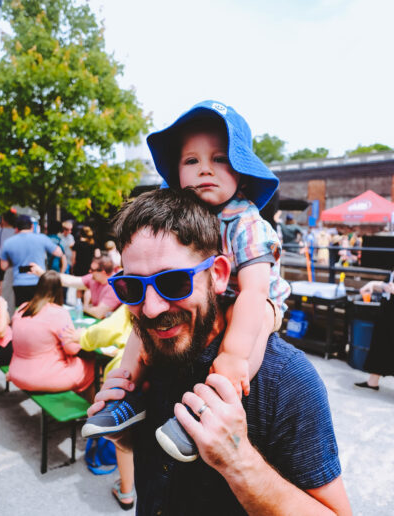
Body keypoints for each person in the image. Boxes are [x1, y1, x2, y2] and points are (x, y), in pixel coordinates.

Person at [87, 188, 351, 515]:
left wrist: (240, 463)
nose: (152, 308)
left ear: (220, 275)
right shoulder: (151, 359)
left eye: (173, 283)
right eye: (132, 287)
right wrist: (126, 437)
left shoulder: (285, 380)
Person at [83, 100, 291, 445]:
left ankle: (215, 404)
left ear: (241, 170)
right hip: (202, 296)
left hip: (250, 299)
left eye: (220, 159)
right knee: (146, 313)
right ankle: (126, 392)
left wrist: (233, 354)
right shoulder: (181, 217)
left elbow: (255, 292)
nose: (205, 170)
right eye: (191, 161)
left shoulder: (247, 223)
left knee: (252, 325)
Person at [61, 305, 135, 510]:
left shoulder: (137, 298)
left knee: (124, 437)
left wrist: (82, 337)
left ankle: (127, 492)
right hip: (172, 376)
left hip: (129, 375)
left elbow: (106, 330)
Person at [8, 271, 94, 397]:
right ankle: (86, 406)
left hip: (16, 373)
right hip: (44, 377)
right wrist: (79, 335)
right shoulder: (58, 313)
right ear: (59, 290)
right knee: (91, 366)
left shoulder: (22, 308)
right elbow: (71, 349)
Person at [0, 215, 63, 306]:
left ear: (16, 228)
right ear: (32, 226)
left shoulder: (8, 243)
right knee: (39, 309)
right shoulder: (42, 238)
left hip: (19, 283)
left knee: (22, 310)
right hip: (39, 281)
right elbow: (59, 252)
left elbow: (3, 266)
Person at [30, 255, 120, 319]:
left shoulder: (115, 286)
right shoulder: (93, 279)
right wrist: (42, 273)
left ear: (103, 272)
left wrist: (84, 307)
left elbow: (99, 313)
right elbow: (70, 281)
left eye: (92, 270)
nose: (89, 271)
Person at [354, 272, 394, 391]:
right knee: (380, 345)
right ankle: (373, 382)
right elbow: (387, 284)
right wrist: (372, 284)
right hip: (387, 311)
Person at [0, 269, 13, 366]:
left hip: (7, 345)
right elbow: (0, 332)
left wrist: (2, 307)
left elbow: (8, 321)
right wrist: (2, 308)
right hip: (0, 352)